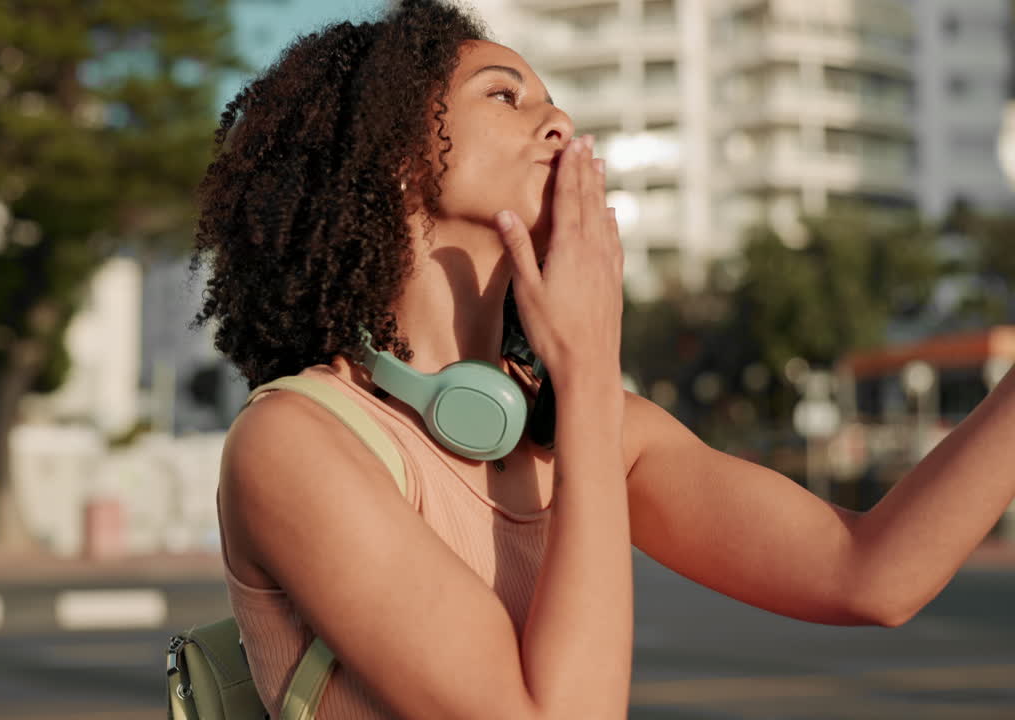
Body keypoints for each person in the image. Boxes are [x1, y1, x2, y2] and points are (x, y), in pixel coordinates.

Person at [188, 2, 1015, 718]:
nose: (559, 124)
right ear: (397, 160)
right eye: (504, 96)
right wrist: (586, 375)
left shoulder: (588, 430)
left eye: (555, 103)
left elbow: (872, 574)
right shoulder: (296, 441)